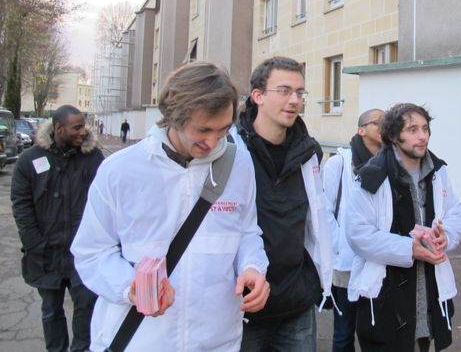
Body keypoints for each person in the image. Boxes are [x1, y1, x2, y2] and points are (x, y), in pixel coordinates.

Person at [71, 62, 270, 351]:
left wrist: (253, 266)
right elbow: (91, 252)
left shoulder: (238, 162)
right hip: (140, 341)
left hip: (216, 341)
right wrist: (131, 287)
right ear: (173, 117)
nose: (214, 141)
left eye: (224, 128)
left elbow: (247, 232)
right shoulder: (120, 170)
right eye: (203, 130)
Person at [346, 103, 461, 352]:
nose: (422, 136)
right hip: (386, 295)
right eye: (412, 129)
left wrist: (446, 237)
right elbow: (358, 234)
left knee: (423, 343)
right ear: (393, 136)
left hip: (428, 291)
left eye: (425, 128)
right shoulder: (372, 177)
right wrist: (408, 248)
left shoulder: (438, 171)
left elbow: (454, 213)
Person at [234, 56, 333, 352]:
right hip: (242, 305)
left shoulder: (309, 153)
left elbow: (317, 219)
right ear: (258, 96)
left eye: (300, 92)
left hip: (296, 304)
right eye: (285, 90)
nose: (295, 100)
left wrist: (312, 282)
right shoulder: (231, 150)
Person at [11, 105, 104, 352]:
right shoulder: (29, 160)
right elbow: (21, 205)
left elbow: (107, 201)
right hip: (45, 253)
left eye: (84, 126)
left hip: (82, 253)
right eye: (77, 127)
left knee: (86, 309)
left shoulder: (93, 158)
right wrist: (34, 243)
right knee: (51, 311)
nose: (83, 131)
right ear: (59, 128)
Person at [323, 108, 385, 352]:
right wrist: (340, 244)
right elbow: (325, 210)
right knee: (344, 332)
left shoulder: (391, 161)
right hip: (346, 262)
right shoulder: (339, 164)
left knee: (378, 331)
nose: (385, 126)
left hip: (379, 261)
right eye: (378, 123)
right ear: (362, 130)